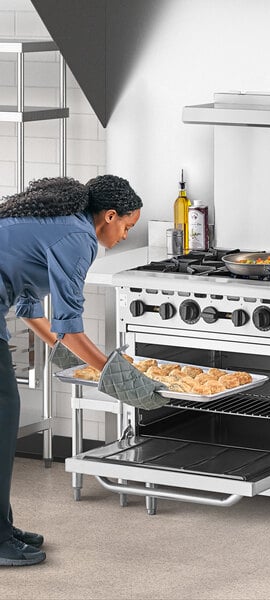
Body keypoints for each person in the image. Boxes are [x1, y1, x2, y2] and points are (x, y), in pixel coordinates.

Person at [0, 175, 164, 567]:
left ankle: (3, 527)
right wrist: (120, 378)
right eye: (127, 225)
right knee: (3, 423)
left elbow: (31, 309)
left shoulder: (62, 224)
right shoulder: (78, 238)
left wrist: (72, 357)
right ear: (109, 216)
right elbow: (70, 329)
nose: (125, 234)